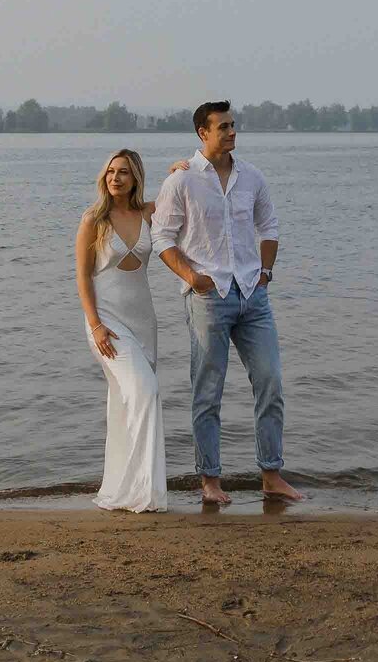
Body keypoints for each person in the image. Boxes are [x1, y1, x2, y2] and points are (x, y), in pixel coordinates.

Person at [152, 101, 304, 505]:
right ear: (203, 132)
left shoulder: (252, 176)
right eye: (224, 127)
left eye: (233, 125)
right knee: (208, 391)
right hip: (207, 297)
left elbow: (268, 226)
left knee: (270, 380)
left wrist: (266, 273)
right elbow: (162, 238)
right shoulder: (181, 181)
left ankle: (271, 475)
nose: (232, 132)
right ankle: (210, 481)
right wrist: (191, 277)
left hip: (253, 293)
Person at [74, 148, 167, 512]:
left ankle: (125, 489)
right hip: (107, 323)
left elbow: (182, 197)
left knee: (126, 404)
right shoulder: (93, 219)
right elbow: (82, 276)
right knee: (146, 392)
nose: (115, 177)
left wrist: (181, 168)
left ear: (136, 178)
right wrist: (95, 325)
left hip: (144, 322)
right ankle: (142, 493)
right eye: (111, 171)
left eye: (124, 172)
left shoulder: (148, 214)